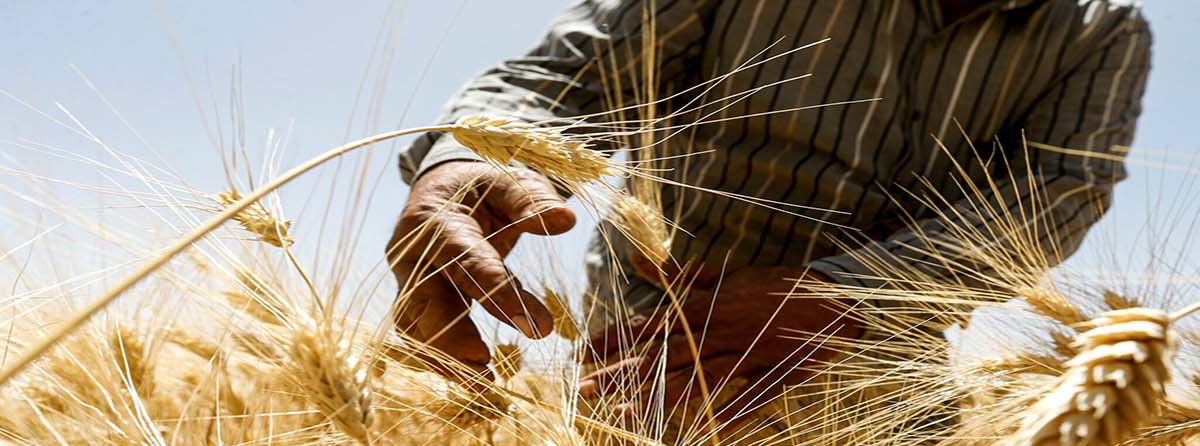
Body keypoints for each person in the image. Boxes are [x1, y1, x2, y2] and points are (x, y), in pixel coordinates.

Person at [389, 0, 1151, 417]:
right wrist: (467, 159)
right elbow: (563, 78)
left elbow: (1053, 200)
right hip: (654, 358)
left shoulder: (1102, 30)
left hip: (882, 375)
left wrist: (844, 296)